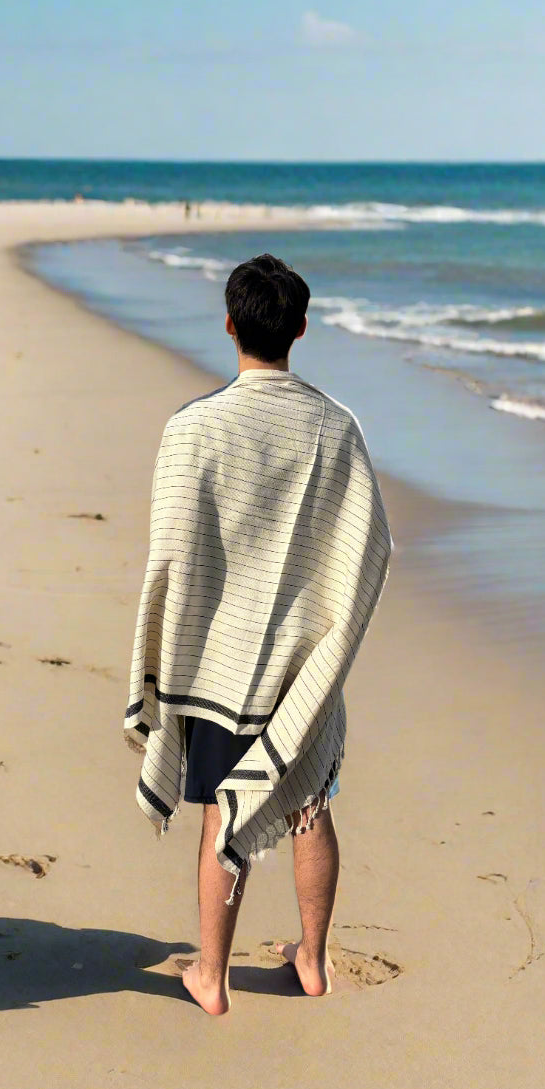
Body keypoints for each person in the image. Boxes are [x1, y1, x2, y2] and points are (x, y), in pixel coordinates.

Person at [124, 254, 393, 1015]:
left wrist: (157, 656)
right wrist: (327, 641)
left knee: (220, 808)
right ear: (300, 329)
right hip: (304, 659)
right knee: (309, 801)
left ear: (230, 324)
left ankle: (210, 976)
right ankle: (311, 959)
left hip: (218, 661)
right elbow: (368, 547)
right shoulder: (336, 429)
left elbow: (171, 554)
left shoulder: (193, 428)